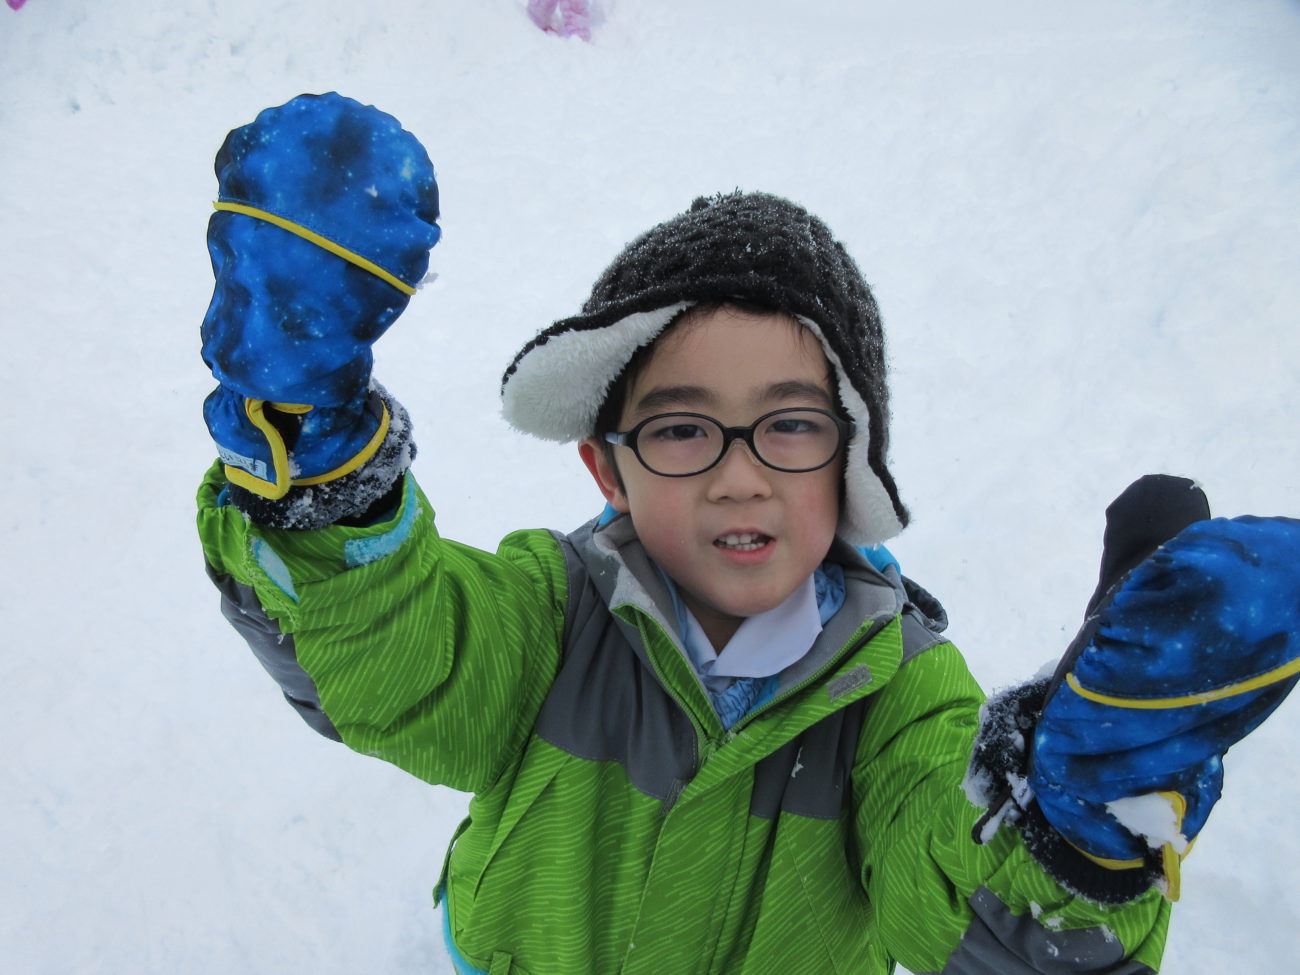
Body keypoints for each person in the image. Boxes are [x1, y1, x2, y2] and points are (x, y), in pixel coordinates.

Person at [197, 93, 1300, 975]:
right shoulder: (550, 612)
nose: (739, 477)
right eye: (682, 429)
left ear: (853, 464)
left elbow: (962, 906)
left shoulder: (902, 693)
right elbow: (398, 664)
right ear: (608, 468)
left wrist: (1072, 825)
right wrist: (322, 470)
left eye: (790, 426)